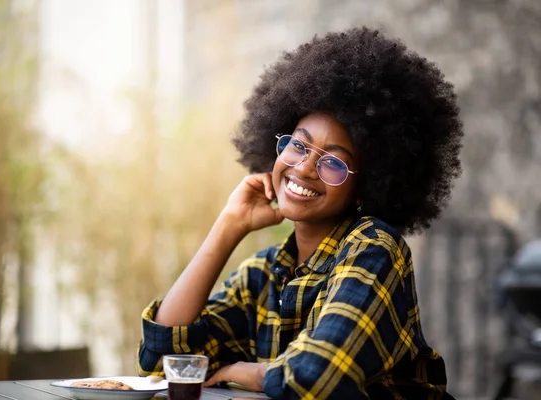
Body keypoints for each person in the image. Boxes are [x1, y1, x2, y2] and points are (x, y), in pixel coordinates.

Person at [137, 27, 462, 399]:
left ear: (367, 187)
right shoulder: (262, 275)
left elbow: (315, 378)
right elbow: (163, 366)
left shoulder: (373, 249)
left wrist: (251, 373)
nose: (306, 168)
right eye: (297, 145)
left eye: (334, 163)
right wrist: (228, 227)